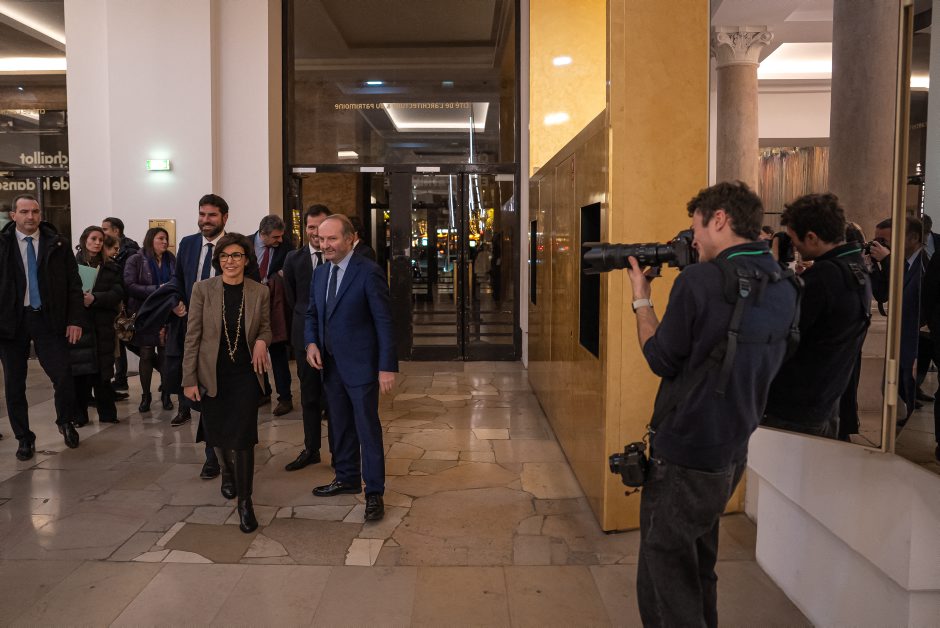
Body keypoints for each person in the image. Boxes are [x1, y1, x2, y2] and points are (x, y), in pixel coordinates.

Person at [625, 181, 799, 627]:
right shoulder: (785, 284)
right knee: (699, 561)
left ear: (719, 219)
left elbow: (660, 358)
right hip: (731, 449)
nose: (693, 240)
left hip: (684, 453)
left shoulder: (699, 281)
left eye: (695, 228)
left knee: (665, 573)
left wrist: (641, 298)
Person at [305, 214, 397, 521]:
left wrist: (386, 367)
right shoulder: (320, 273)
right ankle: (346, 478)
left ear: (350, 238)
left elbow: (384, 322)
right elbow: (312, 314)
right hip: (330, 366)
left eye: (332, 238)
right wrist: (311, 343)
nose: (325, 244)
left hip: (361, 366)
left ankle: (374, 493)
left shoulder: (368, 272)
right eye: (321, 239)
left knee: (366, 429)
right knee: (340, 426)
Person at [762, 193, 871, 439]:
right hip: (826, 402)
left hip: (793, 409)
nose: (794, 248)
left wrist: (774, 271)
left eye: (793, 239)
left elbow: (778, 332)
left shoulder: (822, 278)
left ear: (811, 237)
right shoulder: (856, 268)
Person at [182, 233, 271, 533]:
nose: (230, 261)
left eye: (236, 255)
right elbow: (192, 336)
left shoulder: (259, 291)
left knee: (244, 438)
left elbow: (267, 328)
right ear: (217, 260)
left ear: (246, 260)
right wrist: (189, 379)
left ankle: (245, 502)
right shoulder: (202, 289)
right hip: (212, 374)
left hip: (246, 374)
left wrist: (262, 341)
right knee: (217, 434)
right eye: (224, 256)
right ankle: (226, 470)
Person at [164, 193, 254, 481]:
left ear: (225, 218)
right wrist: (176, 301)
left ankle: (223, 457)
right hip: (192, 331)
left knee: (220, 398)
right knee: (204, 398)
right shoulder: (188, 244)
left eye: (212, 215)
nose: (205, 220)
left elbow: (252, 288)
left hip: (227, 337)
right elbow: (177, 279)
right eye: (202, 214)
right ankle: (214, 457)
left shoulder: (237, 247)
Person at [0, 194, 84, 458]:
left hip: (48, 319)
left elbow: (74, 285)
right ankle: (24, 438)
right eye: (24, 211)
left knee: (63, 375)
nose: (30, 217)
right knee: (14, 384)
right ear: (13, 215)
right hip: (12, 323)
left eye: (35, 211)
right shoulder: (2, 244)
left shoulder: (57, 244)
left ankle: (65, 421)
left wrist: (75, 319)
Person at [282, 204, 331, 471]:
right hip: (304, 337)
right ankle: (311, 449)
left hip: (334, 338)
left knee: (334, 398)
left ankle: (338, 452)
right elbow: (292, 299)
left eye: (320, 226)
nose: (315, 232)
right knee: (309, 397)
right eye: (311, 227)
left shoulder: (338, 257)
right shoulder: (293, 259)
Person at [869, 216, 925, 421]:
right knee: (896, 388)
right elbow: (884, 294)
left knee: (906, 388)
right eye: (878, 240)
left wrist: (888, 260)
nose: (882, 245)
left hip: (915, 339)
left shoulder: (923, 262)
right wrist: (873, 267)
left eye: (885, 240)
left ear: (913, 238)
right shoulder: (902, 261)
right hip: (901, 339)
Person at [71, 227, 125, 426]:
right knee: (80, 375)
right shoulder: (72, 265)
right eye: (93, 239)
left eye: (100, 240)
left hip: (103, 325)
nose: (97, 243)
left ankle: (108, 414)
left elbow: (117, 293)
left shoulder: (111, 267)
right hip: (80, 325)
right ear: (84, 240)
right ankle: (79, 416)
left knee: (103, 374)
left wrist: (95, 298)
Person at [125, 227, 177, 412]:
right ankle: (145, 396)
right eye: (161, 238)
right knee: (146, 354)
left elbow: (177, 281)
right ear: (150, 239)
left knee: (164, 354)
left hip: (166, 312)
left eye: (166, 239)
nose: (165, 242)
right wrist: (157, 289)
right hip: (145, 313)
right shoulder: (136, 259)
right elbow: (130, 285)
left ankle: (166, 393)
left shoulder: (171, 259)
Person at [251, 214, 293, 415]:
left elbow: (290, 269)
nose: (280, 240)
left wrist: (284, 274)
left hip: (274, 305)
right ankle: (262, 392)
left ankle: (285, 398)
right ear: (263, 234)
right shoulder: (245, 244)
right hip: (251, 304)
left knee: (277, 352)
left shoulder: (286, 247)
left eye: (281, 236)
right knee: (254, 350)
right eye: (276, 237)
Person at [102, 217, 140, 392]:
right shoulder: (119, 250)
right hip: (116, 302)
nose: (102, 232)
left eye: (105, 229)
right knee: (121, 342)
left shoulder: (130, 251)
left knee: (130, 342)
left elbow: (128, 279)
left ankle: (163, 369)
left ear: (116, 230)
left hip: (126, 302)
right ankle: (120, 378)